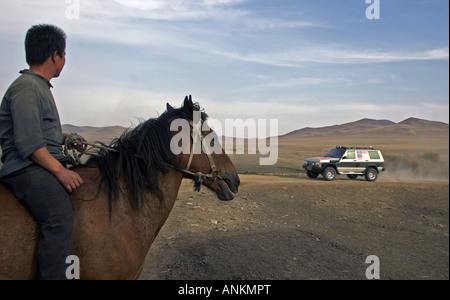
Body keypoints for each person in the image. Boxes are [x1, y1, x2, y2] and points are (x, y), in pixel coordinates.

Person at [0, 24, 84, 280]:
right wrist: (60, 171)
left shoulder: (38, 86)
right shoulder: (27, 88)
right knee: (60, 214)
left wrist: (65, 138)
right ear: (55, 56)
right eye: (64, 54)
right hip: (24, 168)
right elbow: (29, 143)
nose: (65, 60)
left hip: (37, 163)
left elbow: (40, 132)